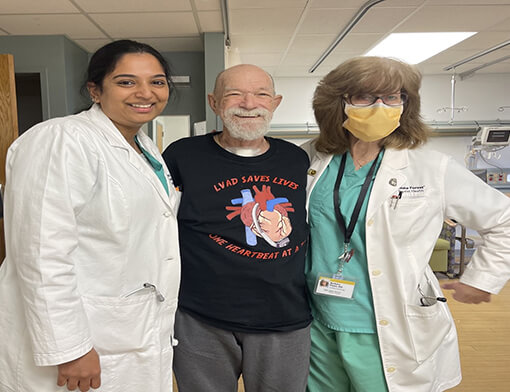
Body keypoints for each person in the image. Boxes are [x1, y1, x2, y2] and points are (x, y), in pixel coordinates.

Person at [303, 56, 510, 392]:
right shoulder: (312, 157)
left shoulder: (430, 167)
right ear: (338, 103)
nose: (380, 106)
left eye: (392, 97)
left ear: (405, 104)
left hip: (386, 321)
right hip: (317, 319)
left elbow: (504, 219)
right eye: (364, 97)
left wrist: (483, 278)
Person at [0, 40, 181, 392]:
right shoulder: (61, 139)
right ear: (95, 90)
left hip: (128, 329)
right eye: (126, 82)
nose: (145, 92)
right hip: (80, 341)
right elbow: (41, 253)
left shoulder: (144, 147)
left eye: (157, 82)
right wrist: (70, 349)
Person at [163, 64, 312, 392]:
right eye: (234, 94)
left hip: (284, 316)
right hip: (200, 316)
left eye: (261, 94)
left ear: (275, 103)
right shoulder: (181, 156)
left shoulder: (297, 159)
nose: (248, 103)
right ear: (214, 102)